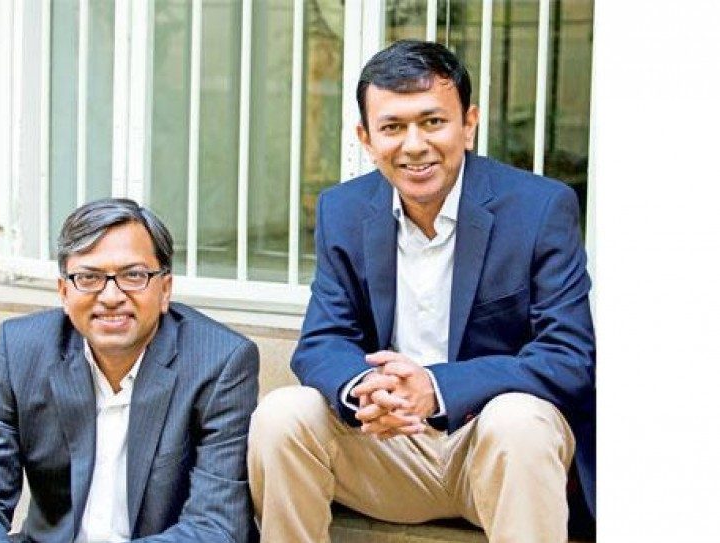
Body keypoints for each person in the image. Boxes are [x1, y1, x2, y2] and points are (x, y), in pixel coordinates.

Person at [247, 40, 595, 543]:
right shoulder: (343, 210)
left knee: (518, 420)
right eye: (392, 127)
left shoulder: (539, 208)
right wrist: (367, 390)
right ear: (366, 138)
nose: (414, 145)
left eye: (433, 122)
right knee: (283, 414)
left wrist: (435, 388)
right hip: (386, 448)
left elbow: (568, 359)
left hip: (491, 450)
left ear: (468, 124)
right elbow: (323, 341)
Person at [0, 198, 260, 543]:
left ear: (165, 290)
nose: (111, 296)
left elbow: (215, 526)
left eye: (133, 276)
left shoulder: (219, 361)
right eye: (89, 277)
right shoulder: (22, 350)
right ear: (64, 292)